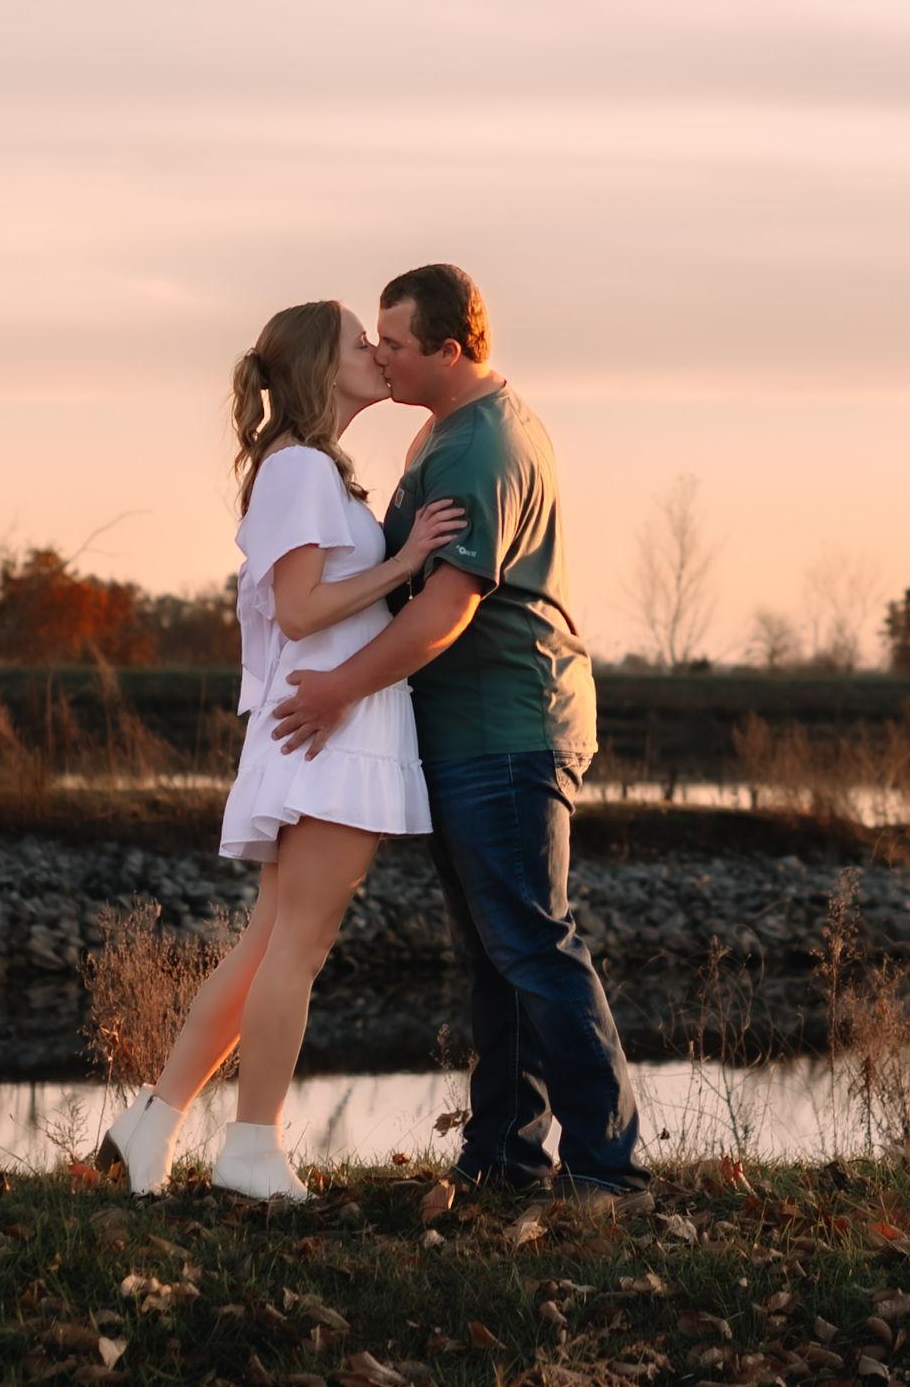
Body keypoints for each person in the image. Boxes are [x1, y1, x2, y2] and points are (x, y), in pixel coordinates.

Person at [270, 264, 652, 1216]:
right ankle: (505, 1157)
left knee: (532, 942)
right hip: (464, 732)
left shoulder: (485, 445)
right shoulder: (439, 428)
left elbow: (445, 608)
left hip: (509, 729)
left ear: (449, 349)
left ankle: (611, 1167)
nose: (379, 355)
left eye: (394, 343)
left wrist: (338, 693)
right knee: (497, 952)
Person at [94, 300, 466, 1201]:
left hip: (325, 723)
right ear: (316, 368)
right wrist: (407, 559)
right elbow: (300, 608)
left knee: (269, 944)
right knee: (299, 944)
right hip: (328, 728)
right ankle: (251, 1149)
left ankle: (155, 1122)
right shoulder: (298, 467)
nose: (377, 352)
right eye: (356, 342)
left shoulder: (309, 471)